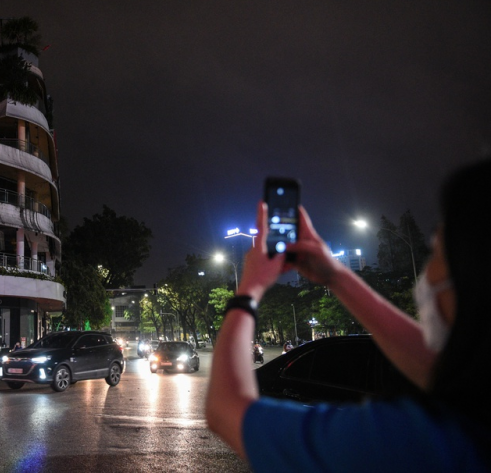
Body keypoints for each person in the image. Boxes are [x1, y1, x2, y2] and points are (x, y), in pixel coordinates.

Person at [206, 159, 491, 472]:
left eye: (436, 249)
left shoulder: (413, 442)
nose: (428, 270)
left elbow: (225, 408)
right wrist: (335, 275)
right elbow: (441, 370)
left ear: (470, 282)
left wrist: (250, 288)